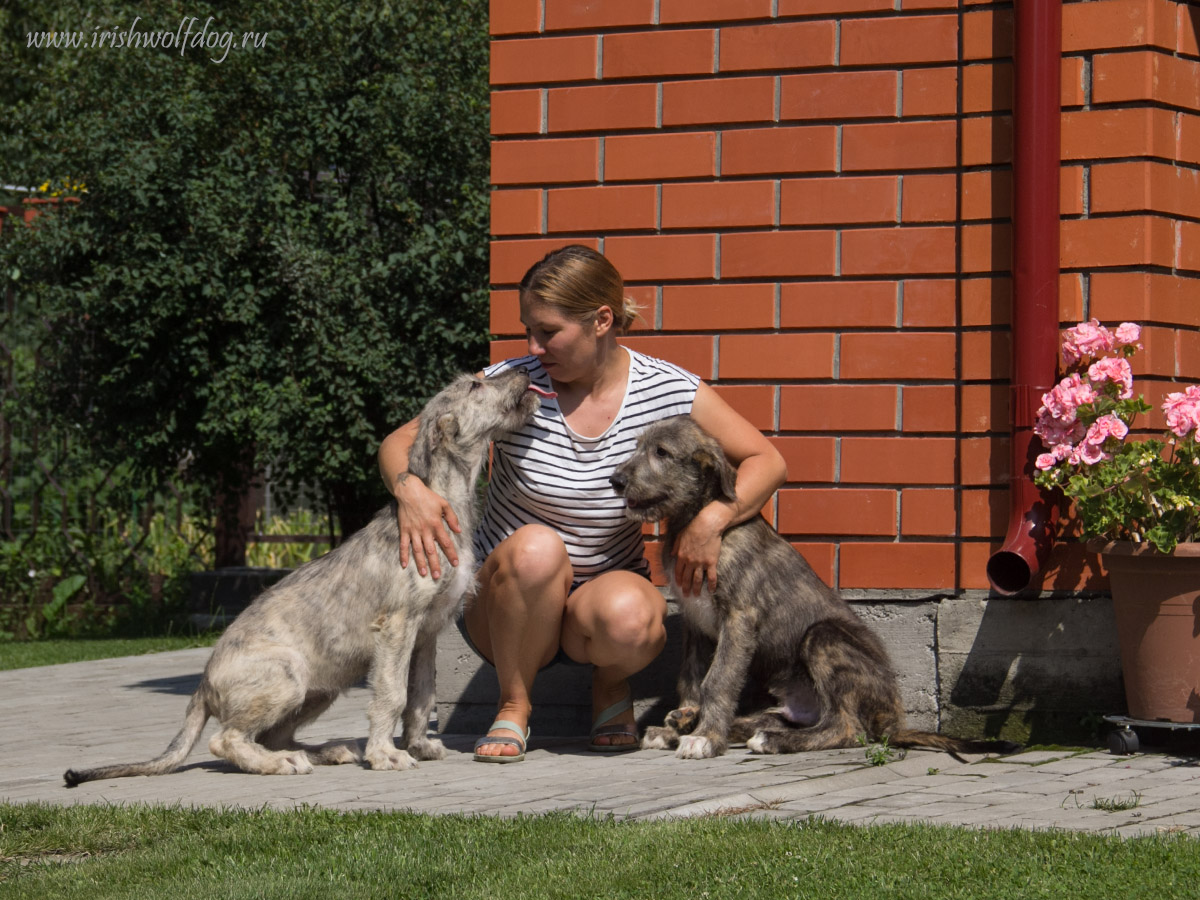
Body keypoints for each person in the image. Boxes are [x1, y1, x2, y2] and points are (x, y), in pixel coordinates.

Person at [377, 245, 786, 761]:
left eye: (548, 332)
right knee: (536, 549)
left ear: (601, 320)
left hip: (600, 599)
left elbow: (766, 460)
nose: (534, 344)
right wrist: (409, 489)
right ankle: (514, 703)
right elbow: (399, 441)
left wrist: (713, 519)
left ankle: (610, 686)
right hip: (508, 601)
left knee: (634, 616)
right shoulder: (512, 383)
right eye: (528, 329)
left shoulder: (666, 389)